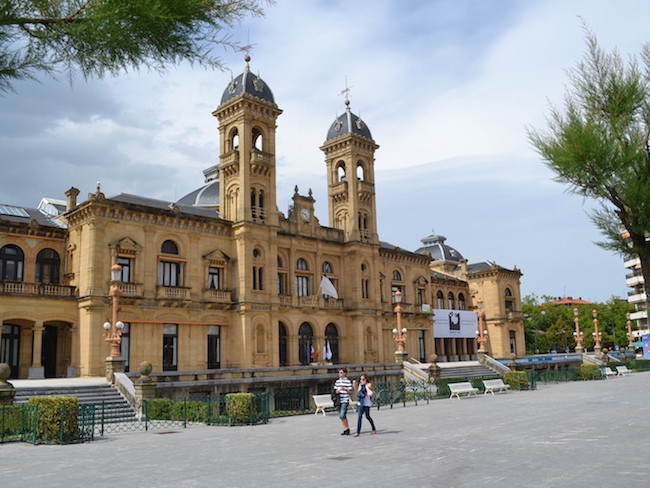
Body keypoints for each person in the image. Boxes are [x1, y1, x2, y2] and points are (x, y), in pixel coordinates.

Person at [334, 368, 353, 435]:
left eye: (341, 373)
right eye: (339, 373)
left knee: (342, 415)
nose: (340, 374)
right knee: (341, 416)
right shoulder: (337, 382)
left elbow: (351, 391)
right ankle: (346, 429)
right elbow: (335, 391)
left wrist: (344, 389)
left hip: (345, 400)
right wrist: (338, 391)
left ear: (345, 373)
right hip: (339, 400)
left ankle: (347, 428)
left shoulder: (347, 381)